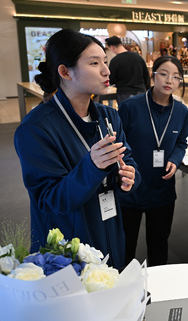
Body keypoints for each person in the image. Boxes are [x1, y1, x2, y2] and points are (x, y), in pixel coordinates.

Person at [14, 29, 138, 270]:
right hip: (66, 248)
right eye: (94, 63)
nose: (106, 71)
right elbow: (50, 200)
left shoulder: (109, 117)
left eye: (105, 61)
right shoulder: (36, 129)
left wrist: (130, 176)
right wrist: (92, 166)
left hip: (110, 228)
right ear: (65, 71)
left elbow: (129, 160)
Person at [118, 56, 188, 267]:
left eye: (176, 77)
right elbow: (119, 144)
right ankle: (121, 288)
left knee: (159, 243)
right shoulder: (130, 107)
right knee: (125, 244)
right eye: (164, 74)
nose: (169, 80)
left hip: (162, 188)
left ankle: (159, 287)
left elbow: (181, 142)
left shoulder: (181, 111)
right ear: (153, 76)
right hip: (131, 188)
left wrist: (175, 160)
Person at [106, 36, 151, 105]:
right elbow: (146, 75)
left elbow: (112, 79)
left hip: (124, 93)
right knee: (140, 113)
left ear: (112, 47)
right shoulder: (137, 57)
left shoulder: (115, 61)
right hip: (140, 91)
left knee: (125, 114)